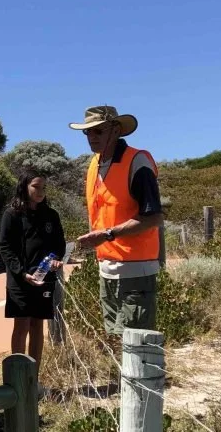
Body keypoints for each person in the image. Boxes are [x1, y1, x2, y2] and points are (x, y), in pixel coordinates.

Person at [69, 106, 164, 336]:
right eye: (87, 132)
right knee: (114, 337)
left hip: (136, 270)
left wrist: (108, 234)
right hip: (107, 270)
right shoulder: (94, 164)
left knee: (137, 343)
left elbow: (153, 217)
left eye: (98, 131)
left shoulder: (137, 161)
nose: (92, 137)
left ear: (116, 130)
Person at [0, 172, 66, 363]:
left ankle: (33, 378)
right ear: (24, 187)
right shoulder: (11, 214)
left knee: (38, 325)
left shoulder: (51, 215)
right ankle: (17, 378)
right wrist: (21, 272)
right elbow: (5, 247)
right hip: (20, 280)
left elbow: (59, 244)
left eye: (43, 187)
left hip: (44, 279)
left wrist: (57, 259)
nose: (40, 191)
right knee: (22, 326)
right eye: (36, 186)